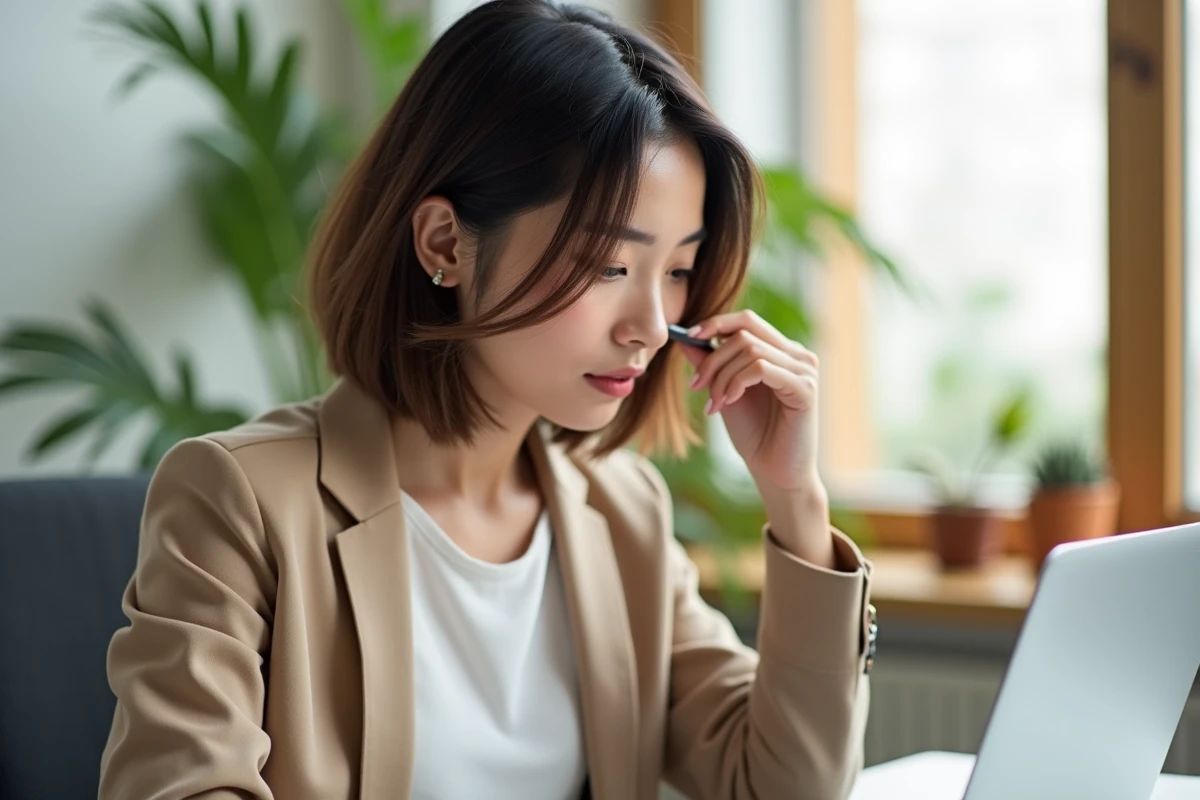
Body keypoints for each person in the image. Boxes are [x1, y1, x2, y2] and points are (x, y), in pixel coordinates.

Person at [98, 1, 875, 798]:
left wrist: (794, 500)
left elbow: (787, 787)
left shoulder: (622, 515)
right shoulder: (241, 500)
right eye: (610, 266)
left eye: (677, 270)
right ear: (445, 244)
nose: (651, 325)